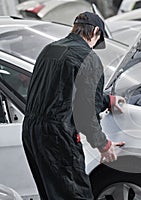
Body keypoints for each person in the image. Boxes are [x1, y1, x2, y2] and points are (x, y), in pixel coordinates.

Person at [22, 11, 125, 199]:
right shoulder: (88, 58)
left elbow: (64, 92)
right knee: (76, 194)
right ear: (95, 32)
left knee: (52, 194)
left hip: (31, 132)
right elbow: (86, 114)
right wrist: (103, 144)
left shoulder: (50, 50)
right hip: (57, 136)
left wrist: (107, 100)